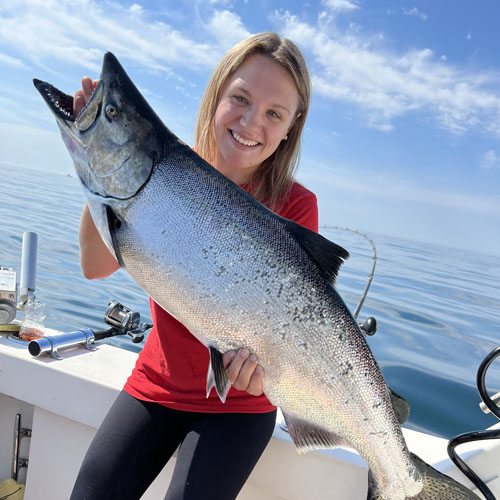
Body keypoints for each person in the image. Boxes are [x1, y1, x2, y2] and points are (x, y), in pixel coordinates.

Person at [70, 32, 318, 500]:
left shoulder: (296, 206)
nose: (251, 122)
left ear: (291, 127)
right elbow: (93, 265)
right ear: (217, 95)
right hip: (156, 384)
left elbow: (295, 329)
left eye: (273, 113)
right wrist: (99, 160)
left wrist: (268, 368)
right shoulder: (157, 167)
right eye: (240, 98)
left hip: (241, 404)